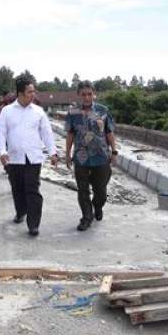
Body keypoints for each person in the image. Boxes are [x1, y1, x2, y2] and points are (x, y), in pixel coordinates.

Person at [0, 78, 58, 236]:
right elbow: (0, 132)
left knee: (32, 190)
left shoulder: (38, 111)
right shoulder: (7, 111)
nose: (33, 94)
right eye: (30, 91)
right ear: (20, 93)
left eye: (33, 91)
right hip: (14, 158)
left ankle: (33, 224)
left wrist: (53, 152)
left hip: (33, 158)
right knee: (17, 189)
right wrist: (2, 151)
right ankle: (21, 211)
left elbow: (46, 133)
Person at [64, 80, 119, 231]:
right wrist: (67, 154)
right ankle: (86, 217)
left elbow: (109, 132)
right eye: (84, 95)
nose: (87, 97)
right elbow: (69, 134)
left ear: (94, 94)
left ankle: (97, 206)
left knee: (100, 191)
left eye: (90, 94)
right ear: (78, 95)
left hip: (101, 156)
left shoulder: (103, 110)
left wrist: (114, 151)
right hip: (81, 157)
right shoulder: (72, 112)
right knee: (82, 190)